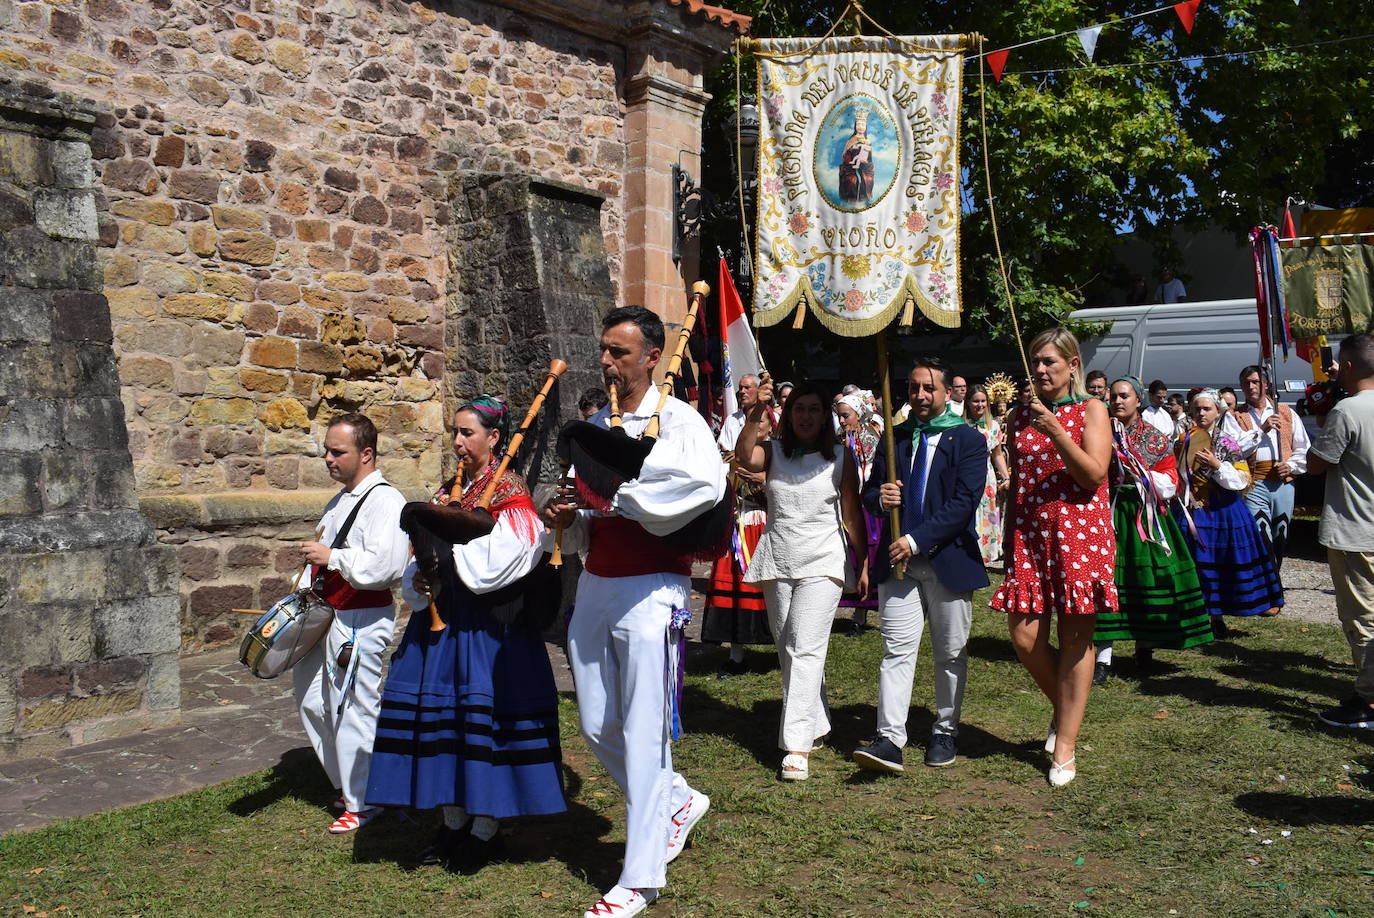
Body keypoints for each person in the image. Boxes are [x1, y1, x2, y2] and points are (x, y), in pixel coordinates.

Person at [543, 306, 725, 918]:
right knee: (596, 722)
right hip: (598, 581)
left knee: (645, 729)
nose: (606, 361)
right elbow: (591, 508)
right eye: (603, 350)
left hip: (652, 588)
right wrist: (572, 516)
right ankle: (676, 799)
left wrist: (619, 495)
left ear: (652, 357)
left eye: (619, 352)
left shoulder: (680, 423)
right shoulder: (597, 423)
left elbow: (702, 489)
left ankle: (640, 876)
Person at [366, 397, 564, 871]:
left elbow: (514, 556)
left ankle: (485, 828)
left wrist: (448, 564)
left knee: (485, 727)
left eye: (468, 433)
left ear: (494, 438)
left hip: (489, 631)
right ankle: (452, 821)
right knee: (445, 726)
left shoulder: (509, 491)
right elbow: (422, 549)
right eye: (455, 432)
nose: (457, 442)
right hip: (440, 628)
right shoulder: (448, 491)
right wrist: (420, 576)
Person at [851, 358, 988, 772]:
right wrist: (881, 498)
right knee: (896, 650)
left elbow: (963, 504)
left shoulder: (968, 440)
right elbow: (871, 490)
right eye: (913, 388)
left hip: (947, 560)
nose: (920, 395)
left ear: (947, 392)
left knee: (950, 651)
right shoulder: (896, 439)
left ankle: (945, 729)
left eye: (929, 388)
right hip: (900, 567)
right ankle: (890, 738)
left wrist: (915, 539)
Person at [991, 329, 1114, 787]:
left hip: (1080, 534)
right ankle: (1068, 716)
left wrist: (1059, 431)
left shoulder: (1092, 409)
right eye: (1035, 362)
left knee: (1077, 637)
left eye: (1049, 362)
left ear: (1072, 364)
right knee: (1024, 639)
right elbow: (1018, 481)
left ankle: (1065, 746)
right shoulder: (1022, 414)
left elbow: (1093, 474)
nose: (1040, 370)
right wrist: (1010, 536)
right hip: (1030, 536)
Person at [736, 379, 869, 781]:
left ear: (825, 416)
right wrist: (757, 411)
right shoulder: (773, 453)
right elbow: (745, 456)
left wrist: (862, 561)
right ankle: (818, 720)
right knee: (788, 647)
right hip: (778, 557)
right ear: (789, 415)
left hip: (823, 560)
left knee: (804, 645)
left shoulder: (841, 458)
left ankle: (796, 746)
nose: (806, 416)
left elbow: (852, 513)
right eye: (799, 409)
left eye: (814, 409)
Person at [295, 413, 409, 833]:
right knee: (312, 700)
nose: (327, 458)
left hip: (363, 615)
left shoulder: (387, 501)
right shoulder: (340, 499)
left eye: (336, 451)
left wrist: (334, 558)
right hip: (328, 613)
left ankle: (366, 801)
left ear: (366, 453)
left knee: (355, 706)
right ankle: (348, 784)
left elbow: (387, 566)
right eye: (326, 450)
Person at [1090, 377, 1211, 684]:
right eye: (1113, 396)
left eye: (1124, 396)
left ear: (1138, 400)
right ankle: (1103, 657)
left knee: (1146, 577)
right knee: (1108, 581)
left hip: (1146, 518)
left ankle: (1145, 646)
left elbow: (1170, 481)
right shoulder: (1098, 433)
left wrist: (1143, 477)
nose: (1117, 401)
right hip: (1110, 512)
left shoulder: (1156, 438)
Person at [1307, 335, 1374, 728]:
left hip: (1356, 529)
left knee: (1363, 619)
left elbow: (1317, 464)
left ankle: (1367, 702)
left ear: (1347, 365)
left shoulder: (1347, 409)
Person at [1176, 389, 1284, 632]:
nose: (1201, 413)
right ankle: (1198, 616)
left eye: (1207, 409)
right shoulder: (1183, 439)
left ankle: (1218, 617)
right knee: (1196, 563)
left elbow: (1241, 480)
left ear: (1218, 411)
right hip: (1193, 510)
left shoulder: (1227, 442)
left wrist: (1216, 466)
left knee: (1219, 561)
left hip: (1223, 511)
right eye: (1197, 409)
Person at [703, 375, 773, 677]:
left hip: (763, 525)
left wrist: (761, 482)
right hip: (737, 526)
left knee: (773, 590)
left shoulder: (774, 454)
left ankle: (784, 647)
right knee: (732, 584)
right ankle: (736, 654)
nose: (755, 429)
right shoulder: (732, 452)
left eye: (760, 425)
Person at [1230, 365, 1310, 578]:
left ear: (1266, 385)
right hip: (1254, 482)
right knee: (1261, 534)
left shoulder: (1285, 412)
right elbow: (1234, 450)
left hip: (1283, 481)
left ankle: (1274, 579)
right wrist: (1261, 430)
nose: (1251, 386)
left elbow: (1303, 448)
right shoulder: (1236, 416)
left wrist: (1291, 465)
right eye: (1246, 383)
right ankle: (1271, 587)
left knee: (1280, 535)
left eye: (1255, 382)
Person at [836, 390, 882, 631]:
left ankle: (865, 607)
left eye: (846, 416)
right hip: (846, 503)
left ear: (858, 414)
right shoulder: (838, 439)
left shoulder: (870, 437)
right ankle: (856, 606)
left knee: (870, 553)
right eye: (840, 417)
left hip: (866, 504)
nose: (842, 421)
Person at [963, 384, 1010, 565]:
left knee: (988, 514)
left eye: (983, 401)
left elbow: (997, 454)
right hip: (966, 475)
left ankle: (985, 553)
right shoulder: (961, 425)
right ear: (968, 403)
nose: (980, 405)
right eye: (976, 401)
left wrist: (1006, 477)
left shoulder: (993, 426)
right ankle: (969, 551)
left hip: (986, 476)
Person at [716, 374, 761, 456]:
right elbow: (722, 449)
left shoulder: (770, 417)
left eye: (747, 388)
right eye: (740, 388)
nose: (742, 391)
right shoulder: (731, 420)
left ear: (758, 390)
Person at [839, 107, 875, 205]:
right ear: (855, 126)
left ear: (866, 126)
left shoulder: (868, 141)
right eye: (858, 124)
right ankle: (852, 199)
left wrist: (865, 161)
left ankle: (863, 198)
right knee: (852, 180)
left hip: (864, 167)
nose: (860, 127)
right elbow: (845, 155)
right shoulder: (851, 140)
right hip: (850, 166)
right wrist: (851, 160)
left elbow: (869, 158)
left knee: (868, 179)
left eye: (863, 124)